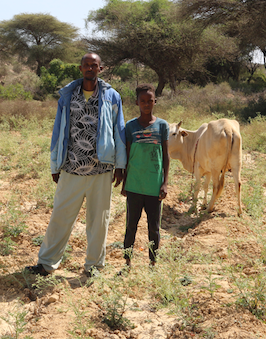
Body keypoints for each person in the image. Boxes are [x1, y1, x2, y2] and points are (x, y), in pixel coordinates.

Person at [26, 53, 126, 277]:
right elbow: (58, 132)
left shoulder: (112, 96)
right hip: (71, 168)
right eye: (86, 65)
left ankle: (94, 267)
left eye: (94, 65)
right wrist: (55, 165)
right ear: (80, 69)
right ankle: (47, 263)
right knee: (60, 216)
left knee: (99, 222)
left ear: (100, 69)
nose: (90, 68)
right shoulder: (68, 96)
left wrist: (120, 164)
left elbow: (119, 131)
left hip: (101, 170)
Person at [119, 84, 170, 267]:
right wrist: (124, 182)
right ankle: (127, 262)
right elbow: (126, 156)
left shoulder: (162, 125)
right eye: (143, 101)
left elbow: (165, 156)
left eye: (150, 101)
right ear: (137, 103)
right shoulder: (130, 126)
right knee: (131, 226)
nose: (147, 104)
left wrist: (164, 183)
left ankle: (153, 263)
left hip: (154, 186)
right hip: (134, 185)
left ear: (155, 101)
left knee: (154, 228)